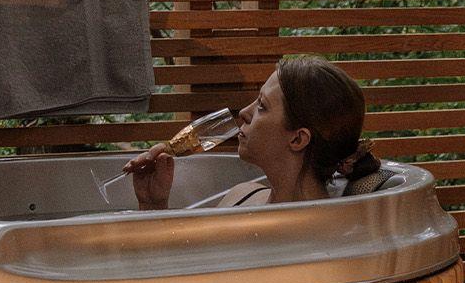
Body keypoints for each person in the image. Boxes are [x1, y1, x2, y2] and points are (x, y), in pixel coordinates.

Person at [127, 56, 383, 210]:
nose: (245, 113)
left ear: (298, 138)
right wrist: (153, 205)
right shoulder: (242, 195)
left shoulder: (325, 232)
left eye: (262, 106)